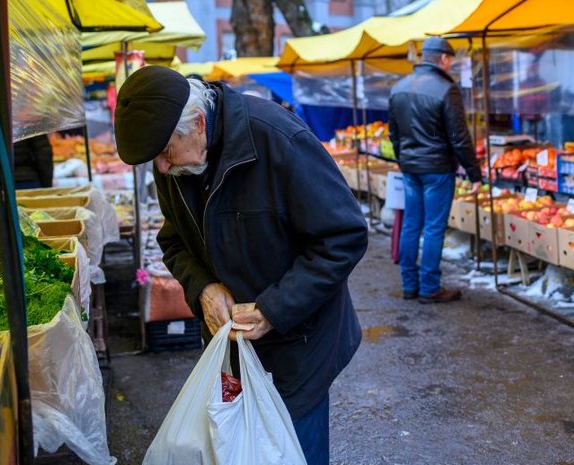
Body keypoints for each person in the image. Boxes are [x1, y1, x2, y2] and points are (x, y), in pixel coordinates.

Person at [113, 66, 368, 464]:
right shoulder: (174, 156)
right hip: (231, 348)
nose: (162, 169)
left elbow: (343, 237)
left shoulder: (278, 139)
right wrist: (203, 288)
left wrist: (274, 309)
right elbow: (174, 240)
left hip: (299, 346)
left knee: (293, 451)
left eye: (165, 153)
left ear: (198, 123)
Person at [388, 37, 483, 304]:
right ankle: (429, 287)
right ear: (443, 58)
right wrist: (474, 173)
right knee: (433, 228)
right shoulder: (445, 89)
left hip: (411, 168)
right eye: (450, 60)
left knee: (410, 225)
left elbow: (394, 134)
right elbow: (459, 137)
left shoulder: (399, 87)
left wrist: (404, 160)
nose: (451, 64)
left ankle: (409, 284)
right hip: (438, 170)